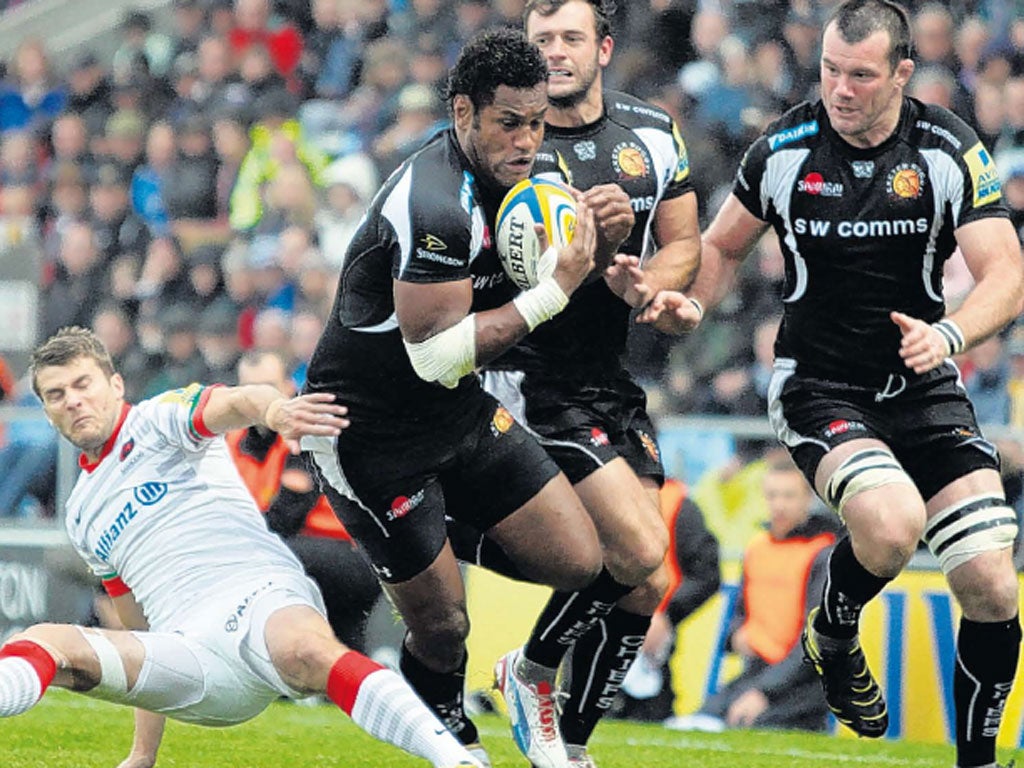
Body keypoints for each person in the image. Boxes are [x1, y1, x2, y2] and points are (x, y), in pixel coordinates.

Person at [648, 2, 1023, 766]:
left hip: (921, 379)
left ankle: (977, 763)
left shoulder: (948, 147)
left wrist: (948, 333)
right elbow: (720, 248)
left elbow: (1006, 272)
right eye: (828, 70)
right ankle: (833, 630)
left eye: (859, 74)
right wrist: (690, 302)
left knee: (991, 581)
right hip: (820, 385)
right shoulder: (784, 146)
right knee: (890, 525)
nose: (840, 89)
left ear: (901, 74)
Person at [301, 28, 606, 768]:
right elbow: (436, 355)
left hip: (456, 412)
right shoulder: (433, 200)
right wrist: (556, 291)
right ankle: (446, 733)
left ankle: (517, 665)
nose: (528, 140)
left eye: (537, 121)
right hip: (367, 435)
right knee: (444, 628)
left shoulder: (534, 181)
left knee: (583, 561)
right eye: (510, 122)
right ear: (464, 112)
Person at [0, 327, 482, 768]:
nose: (74, 401)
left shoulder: (157, 420)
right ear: (45, 408)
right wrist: (143, 753)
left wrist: (275, 411)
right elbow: (137, 627)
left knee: (306, 651)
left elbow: (238, 401)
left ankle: (455, 760)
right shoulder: (81, 511)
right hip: (190, 659)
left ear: (117, 385)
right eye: (56, 395)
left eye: (84, 385)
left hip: (257, 598)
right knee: (43, 640)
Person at [479, 2, 701, 764]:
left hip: (607, 376)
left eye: (570, 38)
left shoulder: (651, 132)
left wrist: (649, 286)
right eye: (541, 42)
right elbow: (473, 270)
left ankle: (568, 747)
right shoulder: (501, 140)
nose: (555, 53)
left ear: (603, 47)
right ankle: (533, 669)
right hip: (523, 378)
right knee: (636, 550)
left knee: (646, 583)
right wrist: (572, 240)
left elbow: (683, 243)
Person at [665, 456, 837, 733]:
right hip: (757, 671)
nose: (779, 505)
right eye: (772, 495)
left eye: (789, 496)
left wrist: (765, 692)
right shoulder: (757, 547)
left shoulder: (824, 553)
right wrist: (736, 636)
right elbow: (740, 615)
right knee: (696, 721)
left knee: (741, 724)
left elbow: (816, 641)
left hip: (804, 686)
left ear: (808, 499)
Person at [226, 350, 382, 653]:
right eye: (251, 389)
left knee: (265, 555)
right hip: (301, 551)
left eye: (269, 386)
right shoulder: (233, 443)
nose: (261, 397)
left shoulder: (305, 434)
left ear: (287, 387)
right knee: (346, 655)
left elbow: (288, 514)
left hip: (347, 553)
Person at [615, 477, 721, 723]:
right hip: (596, 626)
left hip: (649, 640)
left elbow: (707, 573)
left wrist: (667, 615)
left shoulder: (678, 504)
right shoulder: (592, 492)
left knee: (648, 716)